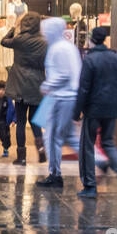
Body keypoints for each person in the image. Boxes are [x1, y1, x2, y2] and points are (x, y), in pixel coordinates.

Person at [73, 26, 117, 198]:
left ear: (92, 40)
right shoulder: (115, 59)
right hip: (111, 108)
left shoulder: (90, 59)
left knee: (87, 146)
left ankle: (90, 185)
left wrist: (76, 112)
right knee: (108, 142)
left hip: (93, 109)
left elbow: (83, 89)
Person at [36, 17, 82, 189]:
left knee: (53, 137)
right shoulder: (67, 47)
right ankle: (99, 161)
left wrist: (47, 85)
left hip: (61, 98)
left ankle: (55, 175)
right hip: (66, 97)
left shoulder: (58, 49)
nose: (44, 34)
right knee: (70, 137)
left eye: (45, 31)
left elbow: (63, 74)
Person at [1, 12, 47, 166]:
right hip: (37, 83)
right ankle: (41, 150)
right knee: (34, 120)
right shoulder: (44, 42)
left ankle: (21, 157)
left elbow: (3, 41)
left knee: (20, 121)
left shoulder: (19, 40)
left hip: (19, 83)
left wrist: (14, 28)